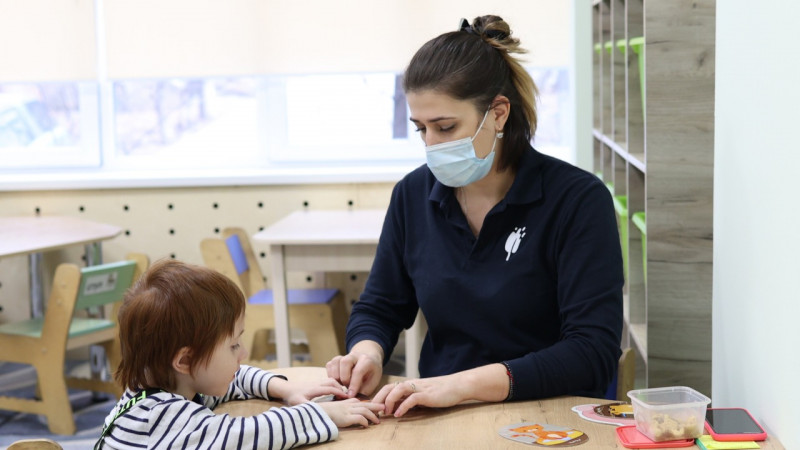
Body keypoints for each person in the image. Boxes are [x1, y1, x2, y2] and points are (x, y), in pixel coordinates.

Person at [326, 15, 623, 417]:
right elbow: (380, 306)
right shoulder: (412, 195)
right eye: (421, 129)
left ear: (498, 113)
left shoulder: (577, 200)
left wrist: (461, 385)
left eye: (446, 127)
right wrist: (367, 352)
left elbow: (591, 351)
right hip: (441, 411)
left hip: (550, 414)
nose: (432, 145)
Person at [96, 259, 382, 450]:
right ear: (185, 360)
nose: (243, 353)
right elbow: (247, 434)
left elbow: (232, 379)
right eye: (233, 346)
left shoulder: (167, 383)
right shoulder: (161, 418)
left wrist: (287, 390)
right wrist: (323, 414)